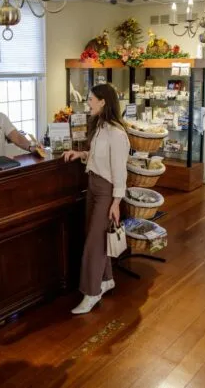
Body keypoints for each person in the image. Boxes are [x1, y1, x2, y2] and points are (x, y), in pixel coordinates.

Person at [63, 84, 130, 315]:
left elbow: (120, 171)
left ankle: (91, 293)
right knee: (97, 238)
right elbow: (98, 156)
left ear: (103, 102)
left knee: (93, 243)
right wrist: (80, 154)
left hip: (106, 191)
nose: (87, 102)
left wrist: (116, 203)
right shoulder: (101, 127)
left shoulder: (117, 134)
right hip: (93, 185)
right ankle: (106, 279)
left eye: (91, 99)